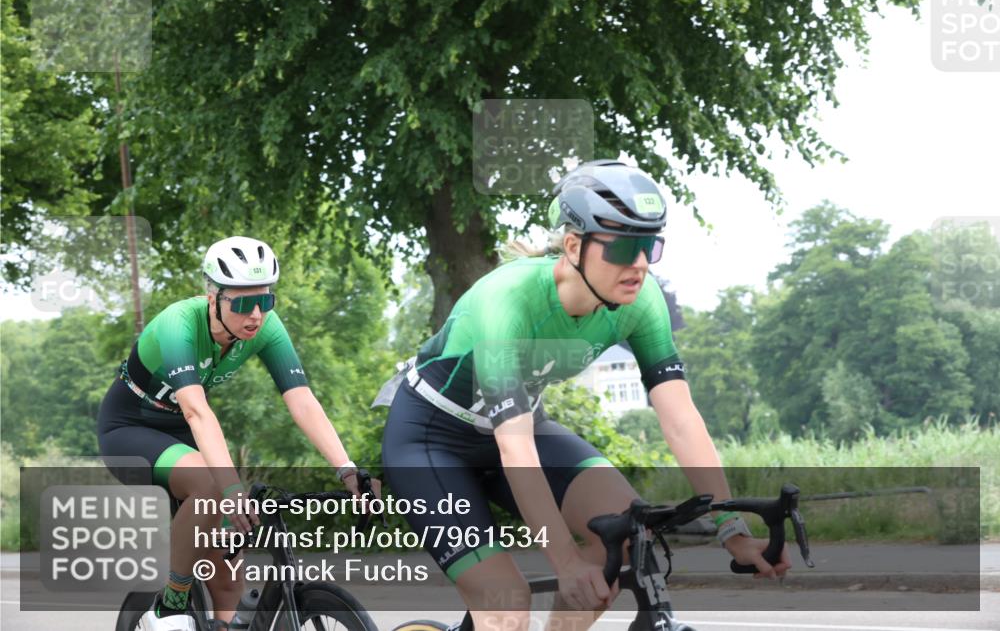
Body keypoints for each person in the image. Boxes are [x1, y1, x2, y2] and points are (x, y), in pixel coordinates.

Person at [381, 160, 791, 631]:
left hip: (522, 428)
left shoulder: (641, 302)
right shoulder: (505, 301)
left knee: (624, 534)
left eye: (648, 246)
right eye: (623, 247)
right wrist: (564, 562)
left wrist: (732, 530)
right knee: (508, 604)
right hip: (431, 442)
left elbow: (680, 419)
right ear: (574, 246)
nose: (638, 265)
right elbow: (515, 448)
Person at [98, 236, 365, 631]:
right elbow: (197, 410)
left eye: (265, 301)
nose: (256, 315)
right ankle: (170, 609)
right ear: (213, 297)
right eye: (242, 303)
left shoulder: (267, 328)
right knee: (213, 485)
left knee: (227, 574)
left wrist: (346, 469)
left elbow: (303, 402)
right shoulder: (178, 324)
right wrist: (231, 489)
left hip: (185, 434)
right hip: (129, 429)